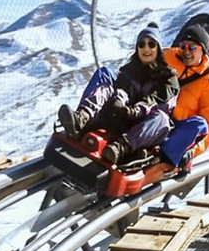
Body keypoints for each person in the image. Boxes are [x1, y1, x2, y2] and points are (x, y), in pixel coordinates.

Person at [57, 23, 180, 164]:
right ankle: (82, 118)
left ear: (158, 48)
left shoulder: (168, 78)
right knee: (105, 84)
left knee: (162, 119)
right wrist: (119, 102)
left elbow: (157, 101)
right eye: (142, 44)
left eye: (151, 44)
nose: (146, 49)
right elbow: (123, 89)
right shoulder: (130, 69)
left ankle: (120, 148)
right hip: (123, 118)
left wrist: (135, 111)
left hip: (145, 126)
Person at [158, 18, 209, 175]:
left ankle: (169, 156)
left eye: (192, 48)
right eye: (183, 46)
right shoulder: (166, 58)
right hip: (153, 115)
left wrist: (192, 153)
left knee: (199, 124)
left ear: (203, 51)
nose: (186, 51)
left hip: (176, 130)